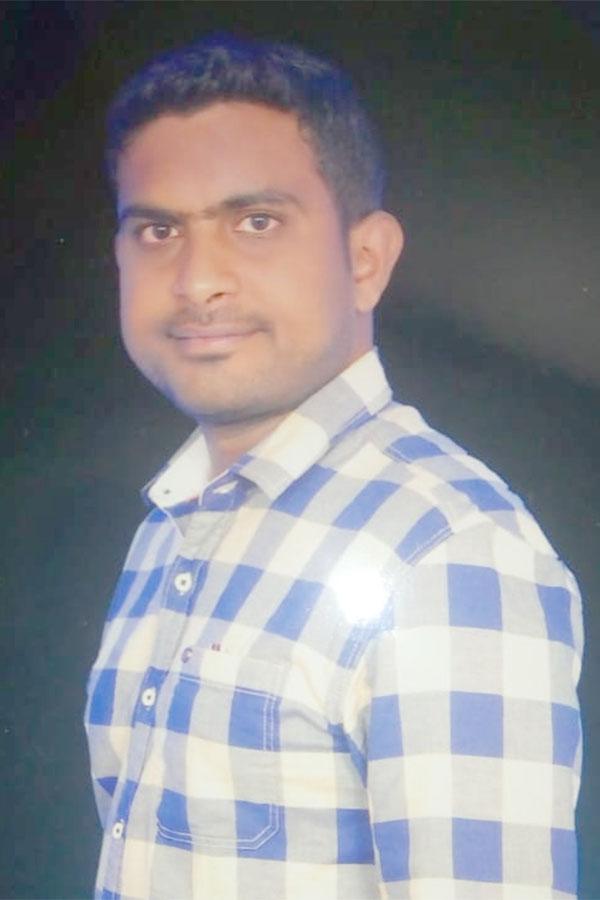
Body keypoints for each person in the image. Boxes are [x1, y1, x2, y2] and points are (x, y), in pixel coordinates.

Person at [85, 35, 583, 899]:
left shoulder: (446, 551)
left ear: (365, 261)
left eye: (256, 222)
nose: (197, 281)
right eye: (159, 230)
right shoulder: (171, 528)